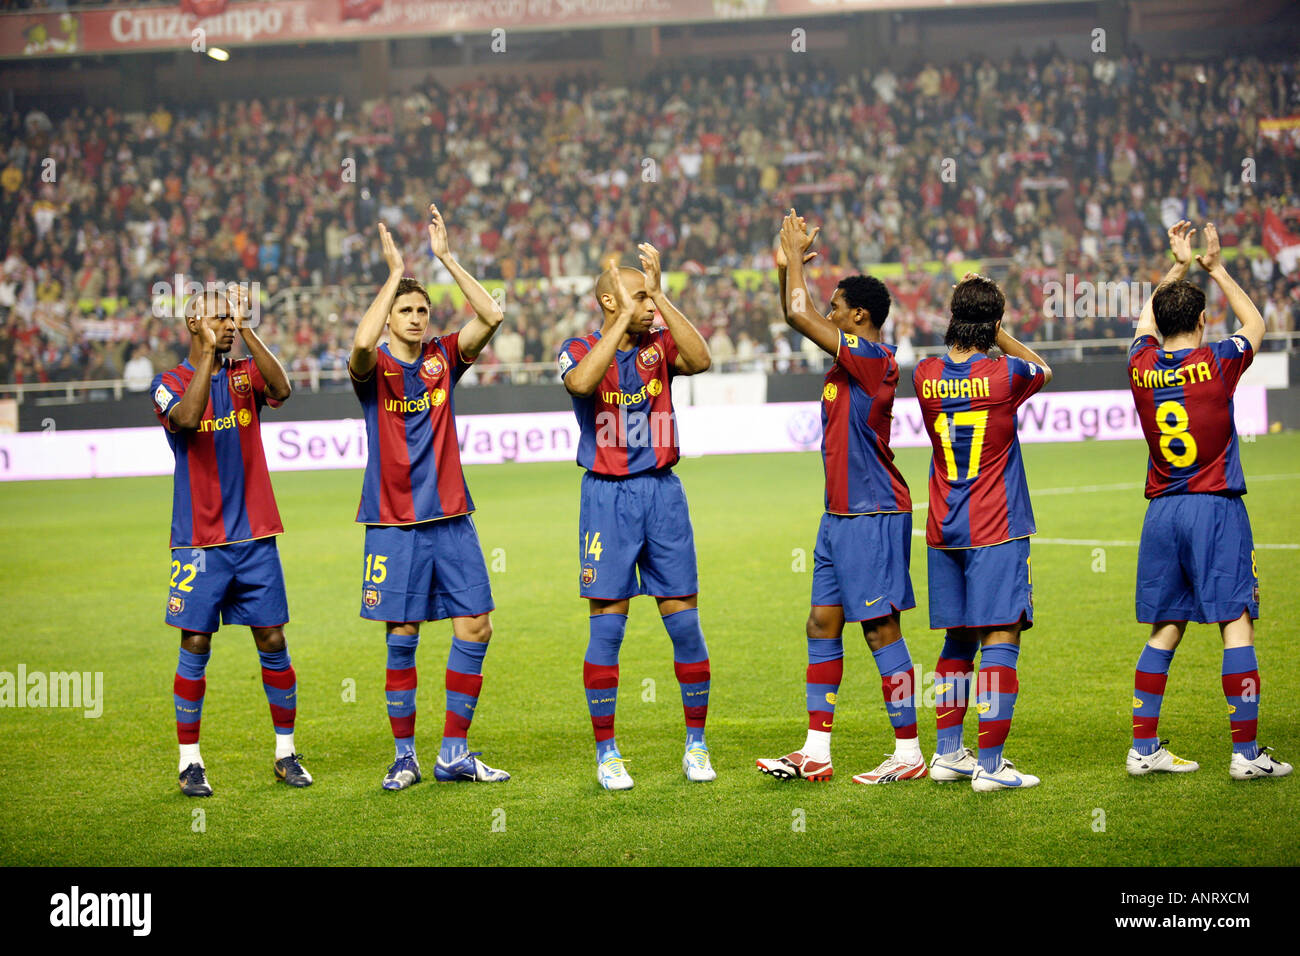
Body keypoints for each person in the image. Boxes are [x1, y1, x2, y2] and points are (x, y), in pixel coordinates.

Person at [756, 210, 923, 785]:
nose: (828, 311)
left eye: (837, 305)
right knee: (821, 622)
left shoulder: (875, 361)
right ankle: (816, 751)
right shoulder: (845, 362)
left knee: (881, 630)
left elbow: (800, 313)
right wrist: (789, 268)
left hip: (874, 512)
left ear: (860, 316)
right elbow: (794, 309)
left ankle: (908, 753)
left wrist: (793, 264)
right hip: (839, 517)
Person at [349, 205, 510, 791]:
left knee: (476, 627)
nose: (418, 317)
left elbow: (491, 313)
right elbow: (361, 344)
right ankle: (403, 757)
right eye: (407, 310)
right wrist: (394, 274)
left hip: (451, 518)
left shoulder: (443, 358)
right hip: (393, 522)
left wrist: (446, 258)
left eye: (422, 309)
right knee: (403, 635)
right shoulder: (374, 368)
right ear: (391, 315)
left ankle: (453, 753)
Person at [1125, 220, 1291, 780]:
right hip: (1215, 507)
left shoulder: (1140, 365)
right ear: (1200, 320)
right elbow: (1256, 322)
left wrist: (1175, 265)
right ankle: (1246, 755)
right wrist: (1213, 266)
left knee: (1166, 627)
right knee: (1236, 623)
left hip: (1162, 513)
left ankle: (1142, 746)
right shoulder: (1219, 361)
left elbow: (1146, 320)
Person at [558, 246, 713, 790]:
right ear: (608, 300)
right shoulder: (577, 347)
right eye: (639, 295)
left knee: (686, 622)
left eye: (651, 295)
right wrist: (625, 317)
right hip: (606, 498)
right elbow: (580, 383)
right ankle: (607, 753)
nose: (649, 305)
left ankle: (696, 743)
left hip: (662, 494)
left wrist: (661, 297)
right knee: (608, 626)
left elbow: (701, 360)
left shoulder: (659, 344)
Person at [151, 284, 310, 797]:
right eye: (217, 317)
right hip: (198, 542)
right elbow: (188, 419)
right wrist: (207, 356)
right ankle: (189, 762)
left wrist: (246, 332)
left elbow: (283, 390)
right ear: (192, 324)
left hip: (255, 536)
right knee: (195, 643)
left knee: (273, 640)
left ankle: (286, 753)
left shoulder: (246, 375)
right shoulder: (169, 381)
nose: (227, 323)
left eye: (231, 317)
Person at [913, 273, 1053, 792]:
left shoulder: (924, 374)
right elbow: (1044, 368)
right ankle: (992, 766)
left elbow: (957, 355)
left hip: (945, 526)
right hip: (997, 525)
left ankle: (949, 753)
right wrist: (999, 332)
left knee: (957, 638)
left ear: (951, 317)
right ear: (993, 326)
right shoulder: (1005, 374)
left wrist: (977, 322)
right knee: (1001, 634)